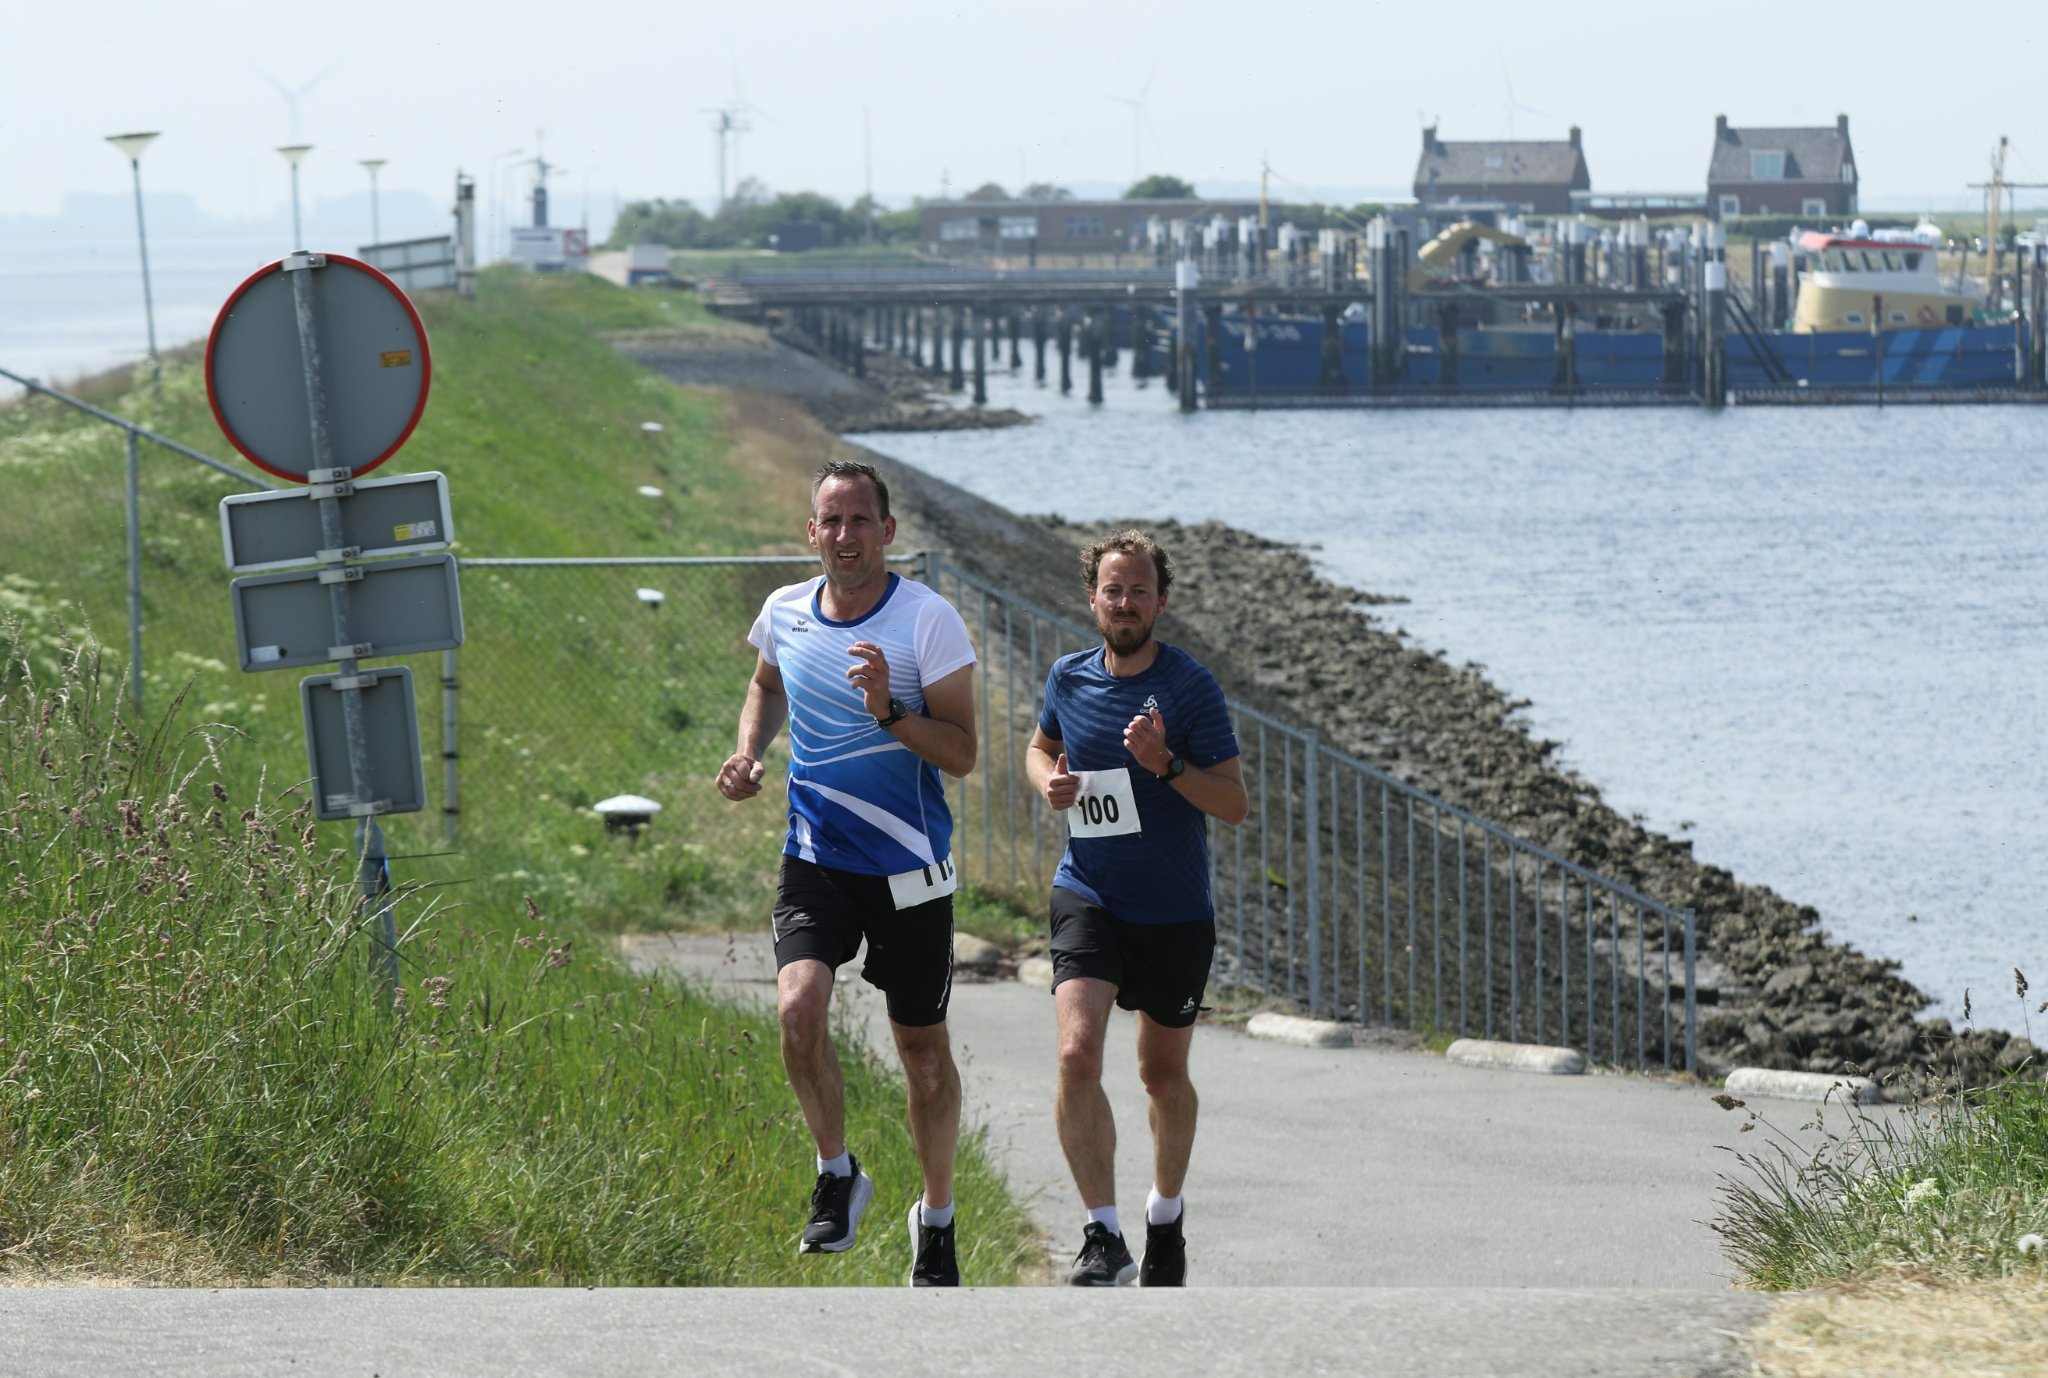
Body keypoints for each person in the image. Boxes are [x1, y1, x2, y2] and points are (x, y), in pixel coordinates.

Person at [716, 459, 977, 1288]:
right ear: (811, 532)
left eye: (860, 520)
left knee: (924, 1058)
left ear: (888, 532)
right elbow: (764, 685)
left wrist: (891, 712)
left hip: (910, 869)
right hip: (816, 859)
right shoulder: (784, 612)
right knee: (798, 1012)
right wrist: (749, 753)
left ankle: (935, 1222)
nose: (844, 536)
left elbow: (965, 754)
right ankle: (838, 1174)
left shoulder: (927, 623)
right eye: (830, 521)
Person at [1024, 529, 1249, 1287]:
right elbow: (1039, 748)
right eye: (1112, 591)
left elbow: (1234, 804)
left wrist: (1167, 765)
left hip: (1174, 910)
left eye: (1138, 591)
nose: (1124, 604)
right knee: (1075, 1055)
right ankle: (1101, 1232)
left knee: (1161, 1077)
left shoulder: (1190, 687)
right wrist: (1046, 782)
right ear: (1092, 598)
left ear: (1160, 599)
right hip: (1088, 892)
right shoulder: (1067, 675)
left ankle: (1165, 1215)